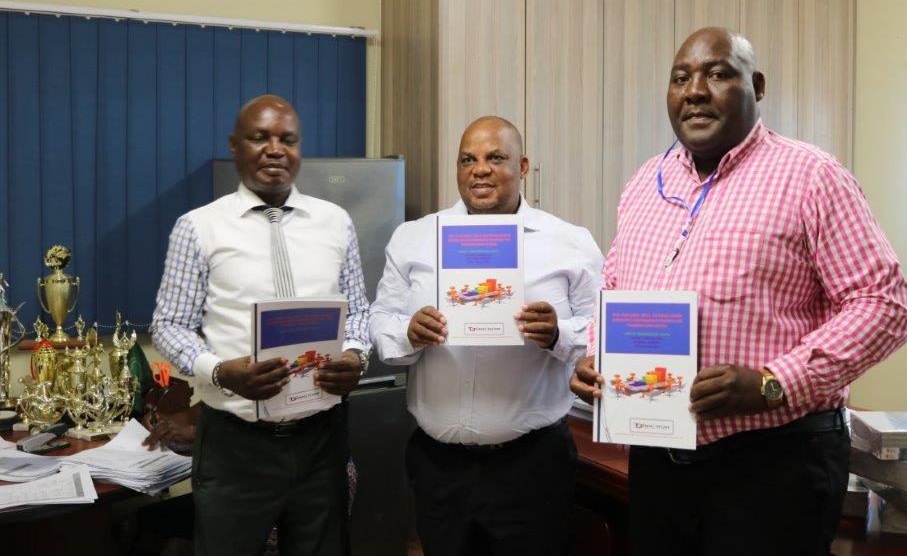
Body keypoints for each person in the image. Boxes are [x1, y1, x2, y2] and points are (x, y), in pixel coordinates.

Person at [571, 28, 907, 556]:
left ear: (757, 86)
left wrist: (775, 383)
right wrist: (597, 353)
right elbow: (614, 286)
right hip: (658, 460)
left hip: (772, 466)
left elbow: (884, 306)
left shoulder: (811, 176)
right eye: (680, 78)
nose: (695, 91)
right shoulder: (644, 184)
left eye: (717, 74)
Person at [370, 116, 603, 556]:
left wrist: (558, 333)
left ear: (523, 166)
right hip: (439, 469)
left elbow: (603, 334)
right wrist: (408, 332)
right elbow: (380, 320)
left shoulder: (570, 242)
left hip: (532, 467)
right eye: (468, 159)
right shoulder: (414, 238)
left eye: (495, 157)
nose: (480, 169)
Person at [151, 94, 370, 556]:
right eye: (260, 138)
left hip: (321, 439)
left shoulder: (336, 223)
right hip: (236, 446)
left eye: (287, 139)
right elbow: (169, 325)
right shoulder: (199, 227)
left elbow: (358, 313)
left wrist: (356, 356)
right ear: (235, 146)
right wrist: (218, 371)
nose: (275, 149)